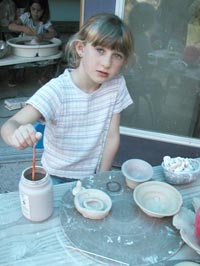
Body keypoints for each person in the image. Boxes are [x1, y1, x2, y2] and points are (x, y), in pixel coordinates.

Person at [1, 13, 134, 184]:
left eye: (117, 55)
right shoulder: (57, 91)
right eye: (100, 50)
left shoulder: (116, 86)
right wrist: (16, 135)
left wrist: (101, 177)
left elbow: (111, 136)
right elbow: (9, 125)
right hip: (55, 174)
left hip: (91, 174)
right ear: (81, 49)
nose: (106, 63)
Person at [7, 0, 57, 87]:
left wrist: (43, 35)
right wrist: (23, 28)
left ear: (44, 10)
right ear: (30, 8)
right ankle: (14, 75)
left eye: (39, 10)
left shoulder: (44, 21)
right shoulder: (26, 17)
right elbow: (11, 26)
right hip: (23, 47)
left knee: (51, 58)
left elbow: (54, 33)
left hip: (37, 48)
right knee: (13, 59)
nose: (35, 12)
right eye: (33, 9)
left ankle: (43, 76)